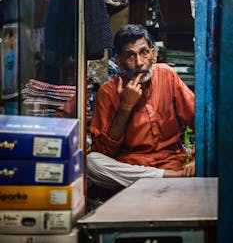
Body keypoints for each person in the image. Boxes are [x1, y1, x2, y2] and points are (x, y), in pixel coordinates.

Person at [55, 24, 195, 190]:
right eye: (130, 56)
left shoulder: (167, 75)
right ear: (120, 63)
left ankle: (164, 178)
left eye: (144, 52)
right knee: (91, 162)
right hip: (133, 168)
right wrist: (125, 107)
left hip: (170, 163)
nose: (139, 63)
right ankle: (169, 178)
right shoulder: (108, 91)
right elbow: (103, 152)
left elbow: (199, 121)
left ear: (154, 55)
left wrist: (195, 159)